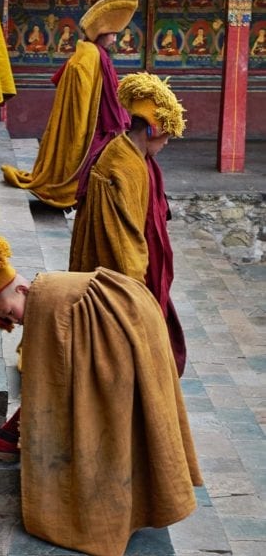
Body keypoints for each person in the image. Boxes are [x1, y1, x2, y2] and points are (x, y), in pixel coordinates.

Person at [0, 235, 201, 556]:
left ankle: (103, 510)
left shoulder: (47, 301)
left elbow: (49, 381)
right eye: (9, 321)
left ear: (22, 290)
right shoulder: (53, 297)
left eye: (10, 312)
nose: (16, 321)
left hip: (130, 327)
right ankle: (12, 431)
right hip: (139, 320)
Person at [69, 72, 188, 376]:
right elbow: (123, 241)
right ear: (151, 129)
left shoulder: (136, 158)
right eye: (165, 138)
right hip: (122, 274)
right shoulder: (121, 167)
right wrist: (138, 295)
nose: (165, 145)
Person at [1, 0, 138, 211]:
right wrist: (82, 131)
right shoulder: (89, 56)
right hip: (90, 124)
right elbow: (84, 100)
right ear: (101, 33)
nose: (114, 39)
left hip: (95, 120)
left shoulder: (93, 52)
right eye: (112, 34)